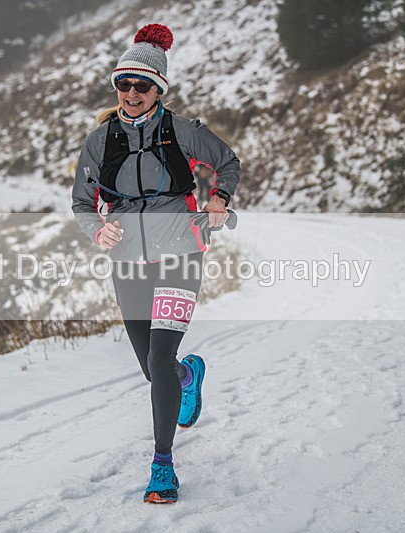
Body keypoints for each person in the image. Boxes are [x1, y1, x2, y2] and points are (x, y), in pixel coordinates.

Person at [71, 23, 239, 504]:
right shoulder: (99, 141)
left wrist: (219, 198)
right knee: (154, 367)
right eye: (123, 84)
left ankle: (162, 466)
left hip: (180, 254)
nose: (130, 93)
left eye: (141, 85)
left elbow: (228, 163)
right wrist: (97, 230)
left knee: (160, 357)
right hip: (128, 261)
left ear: (157, 89)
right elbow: (83, 204)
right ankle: (188, 376)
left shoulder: (183, 132)